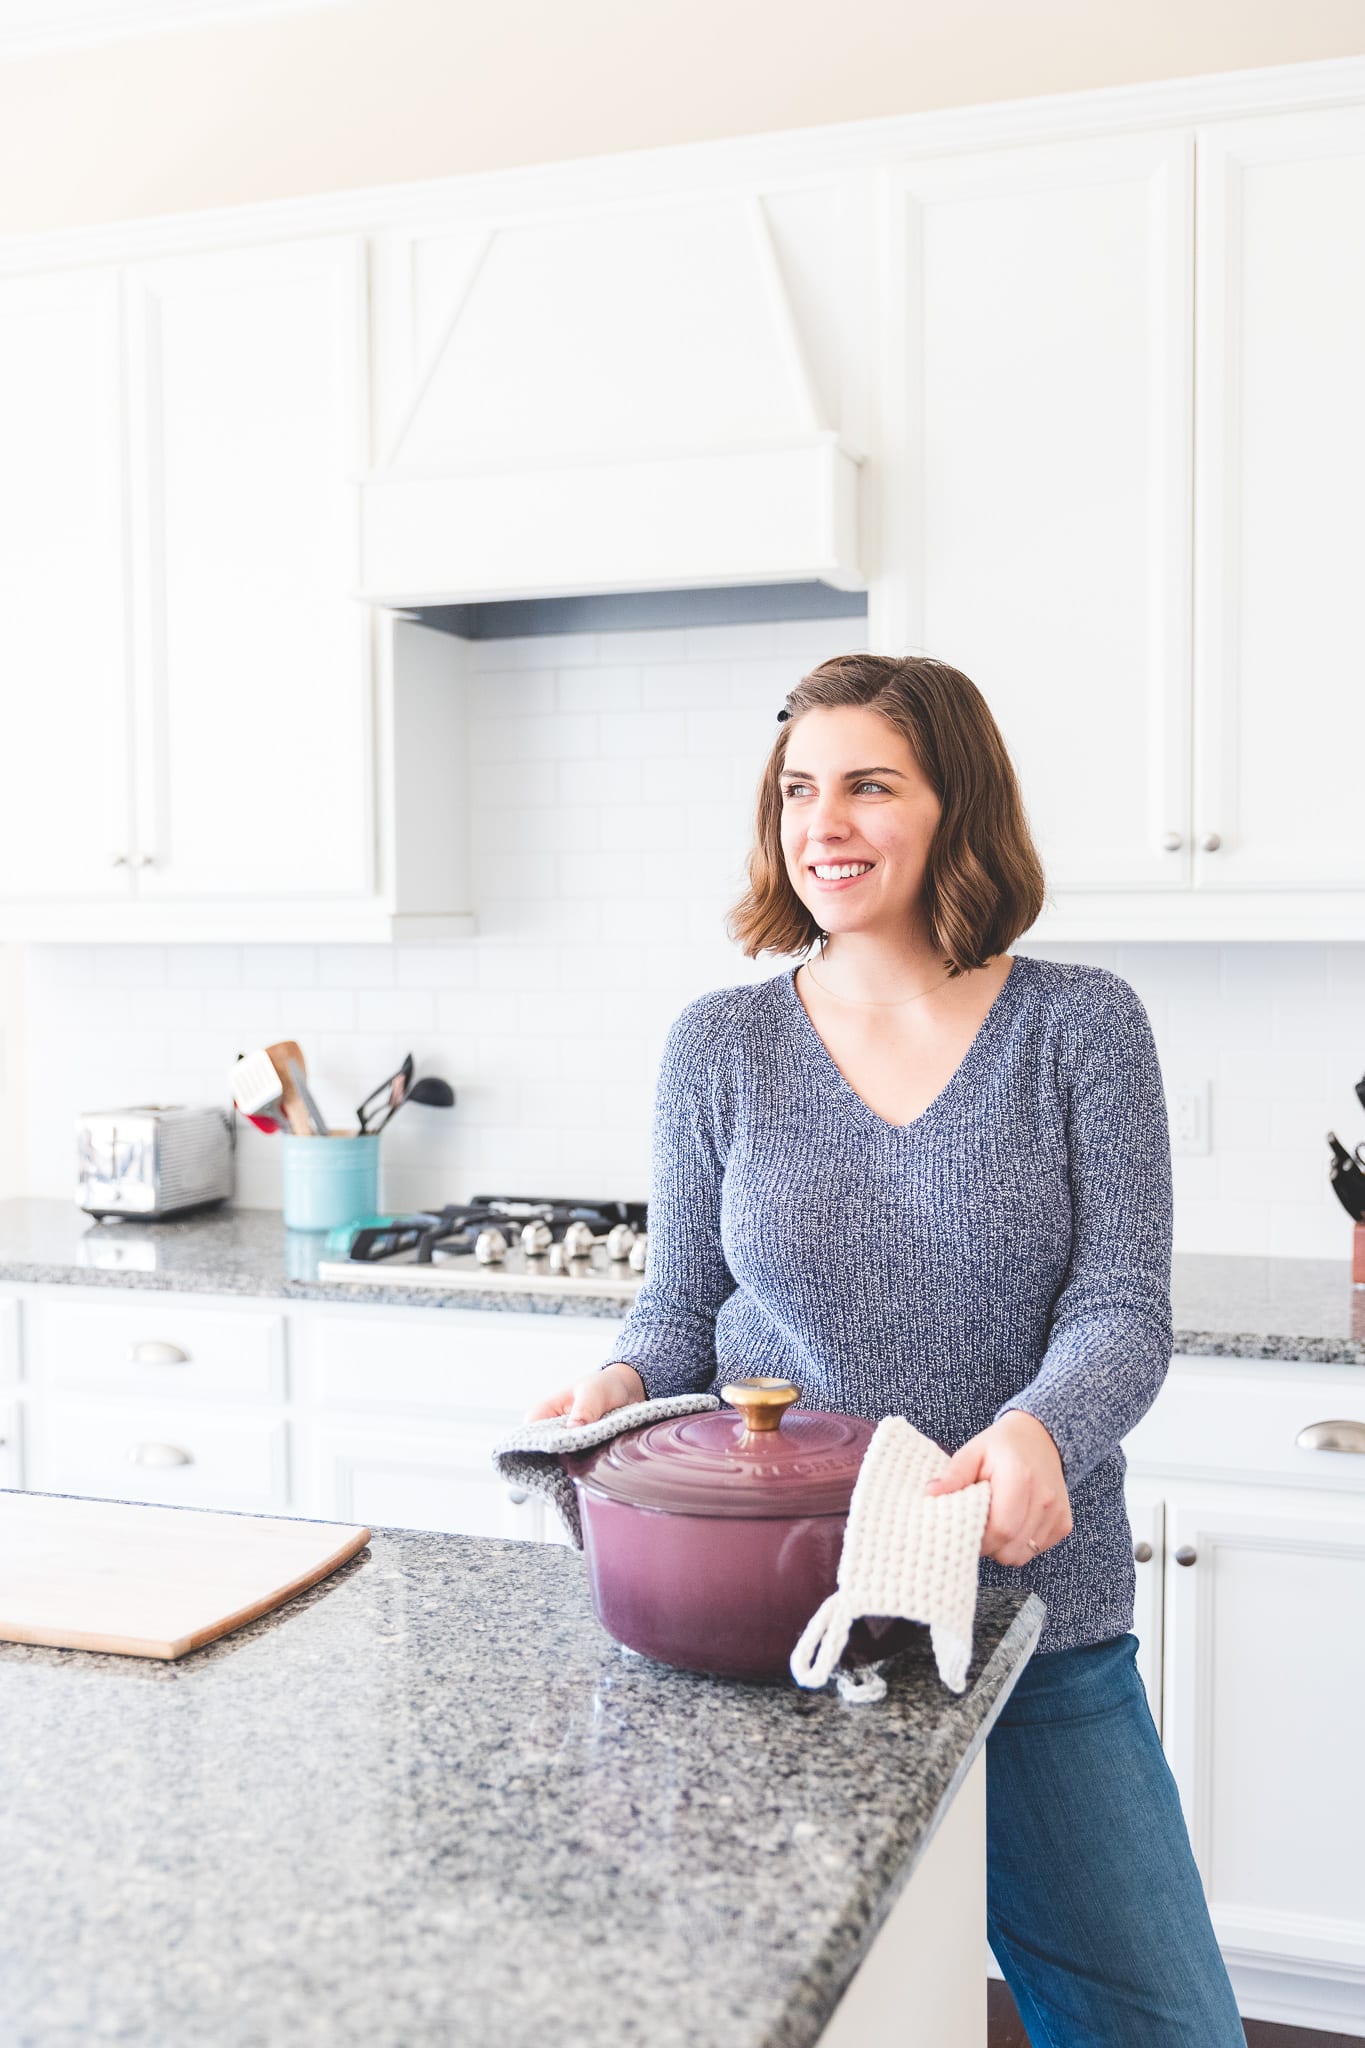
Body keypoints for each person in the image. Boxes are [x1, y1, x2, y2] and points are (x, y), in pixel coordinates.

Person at [528, 652, 1245, 2046]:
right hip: (775, 1618)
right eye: (799, 790)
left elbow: (1119, 1307)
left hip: (1027, 1614)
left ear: (953, 806)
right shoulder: (719, 1045)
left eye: (868, 785)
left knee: (1160, 2025)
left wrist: (1037, 1431)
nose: (823, 824)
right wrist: (614, 1386)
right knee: (794, 2015)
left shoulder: (1078, 1027)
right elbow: (677, 1310)